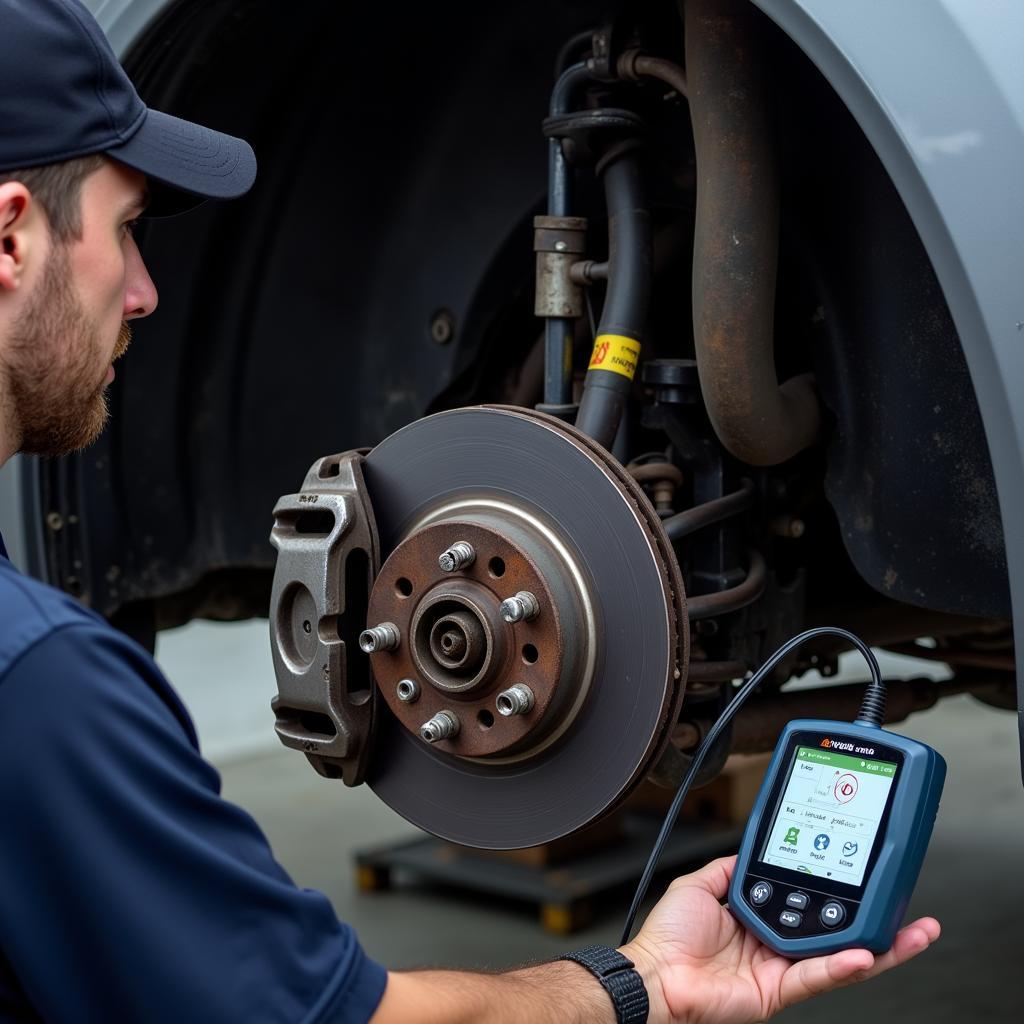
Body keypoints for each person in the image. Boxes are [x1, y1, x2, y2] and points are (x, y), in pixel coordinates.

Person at [0, 2, 940, 1021]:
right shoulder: (41, 687)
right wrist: (651, 985)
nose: (141, 291)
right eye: (126, 229)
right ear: (11, 236)